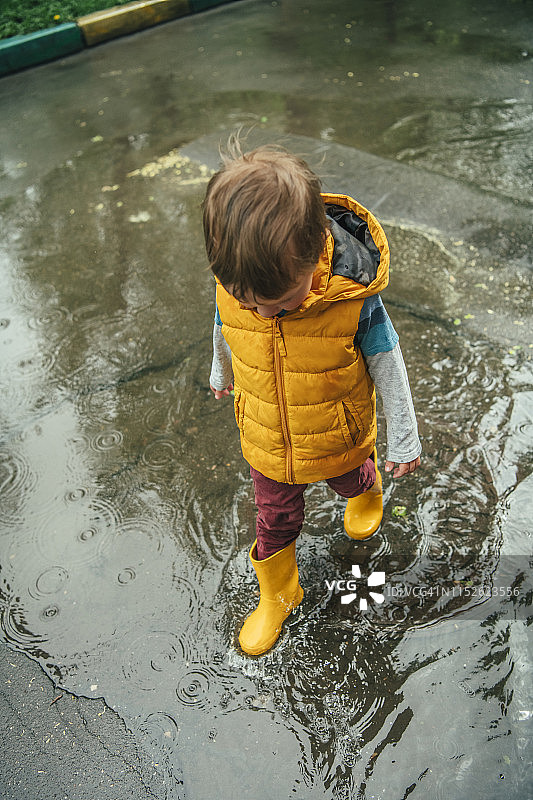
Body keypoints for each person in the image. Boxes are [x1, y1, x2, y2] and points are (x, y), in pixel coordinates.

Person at [204, 140, 421, 656]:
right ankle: (279, 590)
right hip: (267, 435)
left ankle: (367, 489)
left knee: (347, 477)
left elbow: (388, 359)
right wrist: (220, 367)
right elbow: (223, 325)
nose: (263, 315)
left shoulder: (351, 301)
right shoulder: (241, 288)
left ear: (313, 253)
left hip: (335, 430)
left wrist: (403, 436)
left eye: (279, 303)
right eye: (248, 301)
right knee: (274, 516)